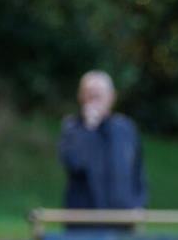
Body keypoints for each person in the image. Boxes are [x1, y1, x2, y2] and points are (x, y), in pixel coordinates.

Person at [59, 71, 148, 220]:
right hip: (84, 221)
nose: (94, 100)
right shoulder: (73, 128)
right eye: (90, 94)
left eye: (99, 95)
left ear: (112, 96)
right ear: (81, 97)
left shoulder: (125, 128)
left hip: (122, 219)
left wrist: (139, 204)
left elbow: (138, 171)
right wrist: (89, 129)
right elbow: (74, 163)